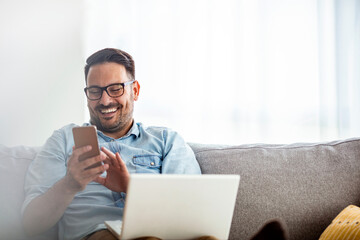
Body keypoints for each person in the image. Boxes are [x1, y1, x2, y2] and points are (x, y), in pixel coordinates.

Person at [22, 48, 288, 240]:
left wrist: (129, 187)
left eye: (115, 88)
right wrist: (70, 184)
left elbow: (193, 211)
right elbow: (30, 224)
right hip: (97, 235)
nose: (104, 101)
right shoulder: (63, 140)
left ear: (134, 90)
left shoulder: (165, 141)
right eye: (95, 91)